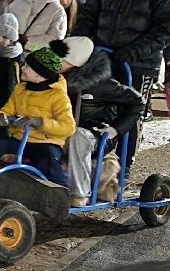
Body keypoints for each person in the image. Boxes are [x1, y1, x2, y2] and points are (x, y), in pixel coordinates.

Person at [51, 36, 143, 207]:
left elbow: (137, 102)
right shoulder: (53, 80)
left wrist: (116, 129)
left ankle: (79, 194)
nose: (54, 61)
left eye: (60, 58)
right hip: (61, 127)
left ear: (74, 62)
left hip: (94, 132)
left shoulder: (101, 84)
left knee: (77, 136)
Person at [0, 46, 75, 186]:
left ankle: (59, 191)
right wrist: (0, 116)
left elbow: (68, 127)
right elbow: (8, 109)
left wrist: (39, 122)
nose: (22, 67)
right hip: (19, 140)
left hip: (45, 144)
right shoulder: (20, 88)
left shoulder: (58, 97)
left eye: (28, 66)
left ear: (40, 74)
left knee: (46, 161)